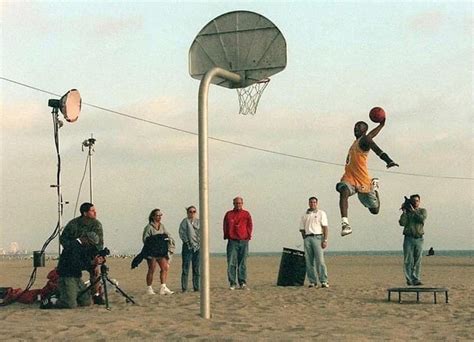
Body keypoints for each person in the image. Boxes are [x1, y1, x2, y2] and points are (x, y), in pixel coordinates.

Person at [336, 119, 399, 237]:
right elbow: (372, 135)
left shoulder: (365, 140)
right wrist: (381, 125)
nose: (355, 128)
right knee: (343, 190)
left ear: (364, 130)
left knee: (374, 210)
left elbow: (377, 149)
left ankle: (374, 188)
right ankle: (345, 224)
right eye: (355, 126)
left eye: (359, 126)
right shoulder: (358, 141)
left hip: (363, 180)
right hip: (349, 177)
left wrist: (389, 161)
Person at [41, 232, 103, 309]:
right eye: (90, 243)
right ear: (85, 238)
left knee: (86, 301)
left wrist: (95, 264)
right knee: (70, 304)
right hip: (67, 277)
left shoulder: (83, 247)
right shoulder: (72, 246)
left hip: (77, 277)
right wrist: (92, 262)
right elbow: (75, 264)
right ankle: (52, 301)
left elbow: (86, 261)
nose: (90, 245)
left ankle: (66, 295)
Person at [60, 202, 104, 304]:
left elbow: (99, 243)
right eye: (92, 211)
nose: (95, 213)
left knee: (95, 271)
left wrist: (97, 259)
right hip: (74, 254)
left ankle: (96, 294)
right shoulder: (73, 224)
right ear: (85, 213)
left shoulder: (96, 225)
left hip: (89, 253)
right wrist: (72, 248)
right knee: (72, 271)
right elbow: (63, 239)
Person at [223, 197, 253, 290]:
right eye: (236, 203)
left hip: (244, 240)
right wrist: (227, 235)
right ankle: (232, 283)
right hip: (232, 241)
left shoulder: (246, 214)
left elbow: (250, 225)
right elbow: (225, 225)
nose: (238, 205)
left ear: (242, 203)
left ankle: (242, 282)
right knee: (231, 262)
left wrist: (248, 236)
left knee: (242, 262)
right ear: (233, 204)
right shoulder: (229, 214)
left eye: (239, 203)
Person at [299, 197, 329, 288]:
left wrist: (325, 240)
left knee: (320, 260)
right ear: (309, 203)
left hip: (318, 237)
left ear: (317, 203)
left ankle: (324, 281)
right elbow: (302, 229)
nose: (312, 204)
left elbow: (325, 227)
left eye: (314, 202)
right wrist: (305, 238)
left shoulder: (321, 213)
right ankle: (312, 281)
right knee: (309, 261)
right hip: (308, 238)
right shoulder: (304, 214)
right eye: (311, 202)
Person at [142, 208, 174, 295]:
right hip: (152, 252)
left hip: (161, 251)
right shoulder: (149, 227)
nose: (159, 217)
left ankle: (163, 287)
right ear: (153, 217)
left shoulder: (162, 226)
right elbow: (145, 239)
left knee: (165, 268)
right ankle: (149, 288)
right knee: (152, 269)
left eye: (160, 215)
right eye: (157, 215)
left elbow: (167, 235)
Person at [399, 194, 427, 286]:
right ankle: (409, 279)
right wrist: (404, 212)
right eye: (413, 201)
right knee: (408, 260)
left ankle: (416, 278)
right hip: (408, 238)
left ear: (419, 201)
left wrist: (414, 211)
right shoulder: (407, 212)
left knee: (417, 259)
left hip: (419, 238)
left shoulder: (422, 211)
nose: (415, 202)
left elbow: (421, 219)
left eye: (417, 201)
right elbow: (402, 223)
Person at [178, 206, 200, 292]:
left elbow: (201, 232)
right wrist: (187, 242)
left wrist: (198, 242)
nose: (192, 213)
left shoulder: (199, 222)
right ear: (187, 213)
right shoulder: (184, 221)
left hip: (198, 246)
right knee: (185, 267)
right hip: (187, 246)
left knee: (196, 268)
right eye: (190, 212)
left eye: (194, 211)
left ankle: (196, 287)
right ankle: (184, 288)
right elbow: (182, 232)